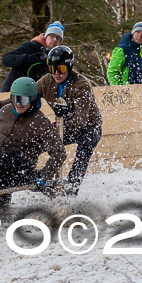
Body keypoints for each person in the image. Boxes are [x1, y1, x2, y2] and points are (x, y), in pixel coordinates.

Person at [0, 77, 66, 206]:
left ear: (32, 99)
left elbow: (59, 153)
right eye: (15, 98)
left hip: (19, 163)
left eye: (23, 100)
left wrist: (44, 175)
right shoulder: (5, 111)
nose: (18, 104)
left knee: (2, 159)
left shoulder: (40, 122)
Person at [37, 45, 103, 194]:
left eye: (61, 68)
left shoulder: (82, 85)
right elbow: (27, 94)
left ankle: (72, 187)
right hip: (63, 126)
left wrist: (67, 116)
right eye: (53, 69)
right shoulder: (47, 81)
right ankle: (39, 178)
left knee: (85, 146)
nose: (57, 73)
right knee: (41, 142)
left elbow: (80, 120)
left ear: (69, 67)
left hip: (89, 126)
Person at [0, 21, 65, 94]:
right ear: (46, 36)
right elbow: (6, 59)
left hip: (34, 96)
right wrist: (28, 58)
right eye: (52, 36)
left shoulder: (57, 56)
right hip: (11, 91)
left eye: (58, 38)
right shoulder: (31, 46)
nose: (54, 39)